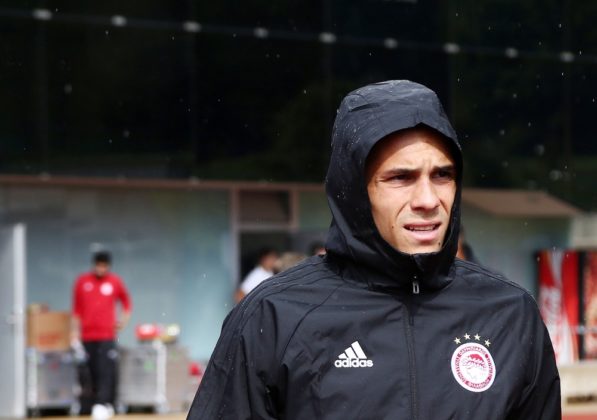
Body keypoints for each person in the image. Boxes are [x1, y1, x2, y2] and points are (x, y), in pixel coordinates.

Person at [187, 80, 560, 419]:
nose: (428, 199)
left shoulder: (509, 313)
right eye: (401, 177)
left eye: (442, 175)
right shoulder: (273, 316)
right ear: (354, 191)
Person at [72, 251, 131, 420]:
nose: (101, 269)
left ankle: (104, 403)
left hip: (106, 335)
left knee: (106, 370)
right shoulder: (83, 281)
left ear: (108, 266)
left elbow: (126, 303)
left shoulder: (114, 282)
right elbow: (76, 310)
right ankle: (91, 403)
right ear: (94, 265)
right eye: (98, 265)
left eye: (104, 266)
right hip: (87, 336)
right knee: (90, 371)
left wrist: (123, 321)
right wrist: (73, 333)